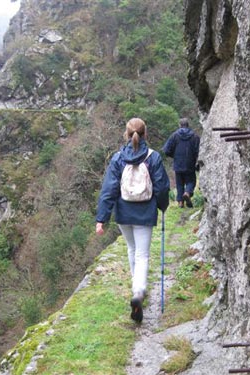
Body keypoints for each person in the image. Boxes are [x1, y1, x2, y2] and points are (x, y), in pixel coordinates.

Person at [96, 118, 170, 323]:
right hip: (145, 212)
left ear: (126, 135)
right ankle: (138, 292)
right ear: (145, 134)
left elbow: (109, 189)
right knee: (142, 254)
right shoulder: (153, 157)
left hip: (123, 212)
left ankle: (135, 287)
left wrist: (101, 219)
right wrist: (162, 205)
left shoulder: (118, 158)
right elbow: (162, 187)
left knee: (131, 249)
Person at [162, 118, 200, 208]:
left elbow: (166, 150)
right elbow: (199, 151)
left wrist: (174, 155)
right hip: (190, 164)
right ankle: (187, 193)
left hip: (178, 164)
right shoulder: (195, 136)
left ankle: (180, 202)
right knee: (191, 181)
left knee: (179, 183)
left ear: (180, 125)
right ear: (188, 125)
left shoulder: (174, 136)